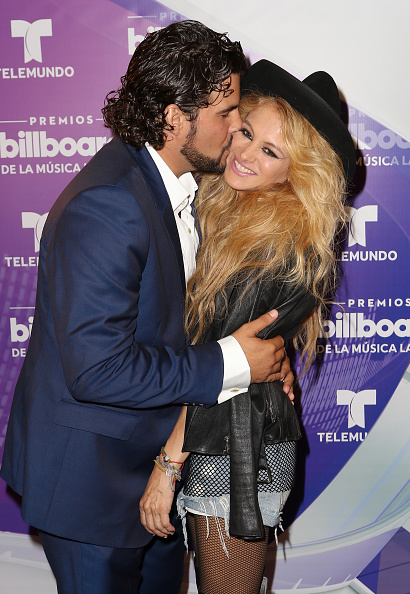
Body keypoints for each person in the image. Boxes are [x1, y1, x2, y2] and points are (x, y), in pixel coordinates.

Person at [0, 24, 294, 594]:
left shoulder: (188, 186)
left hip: (156, 471)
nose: (238, 128)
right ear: (172, 118)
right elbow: (98, 369)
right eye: (226, 113)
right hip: (92, 486)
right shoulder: (108, 207)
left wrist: (268, 359)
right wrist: (233, 362)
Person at [140, 59, 356, 594]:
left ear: (297, 171)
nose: (243, 153)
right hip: (234, 438)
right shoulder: (224, 209)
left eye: (270, 151)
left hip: (233, 450)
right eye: (245, 132)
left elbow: (224, 369)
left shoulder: (278, 246)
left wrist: (167, 467)